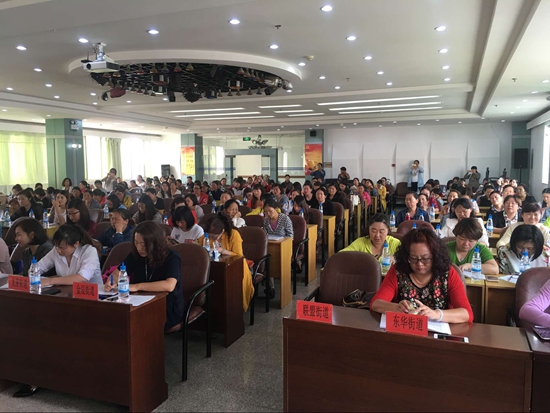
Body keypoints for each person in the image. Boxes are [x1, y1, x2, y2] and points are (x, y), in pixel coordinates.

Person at [371, 228, 473, 323]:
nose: (419, 264)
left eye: (425, 259)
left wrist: (437, 314)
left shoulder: (448, 273)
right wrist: (397, 308)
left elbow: (467, 314)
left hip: (439, 332)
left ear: (435, 256)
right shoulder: (398, 271)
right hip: (405, 329)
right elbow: (375, 303)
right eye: (413, 258)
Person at [104, 221, 184, 333]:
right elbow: (118, 272)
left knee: (133, 324)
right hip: (139, 302)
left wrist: (136, 287)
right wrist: (112, 281)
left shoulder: (172, 256)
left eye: (143, 244)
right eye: (136, 243)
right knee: (114, 318)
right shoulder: (135, 255)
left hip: (166, 306)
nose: (139, 248)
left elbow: (169, 285)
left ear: (155, 243)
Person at [199, 213, 255, 311]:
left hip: (236, 267)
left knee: (232, 286)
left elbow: (239, 256)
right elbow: (200, 248)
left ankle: (235, 309)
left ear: (222, 231)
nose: (212, 239)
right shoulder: (206, 237)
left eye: (214, 237)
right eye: (210, 236)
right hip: (215, 266)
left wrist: (222, 250)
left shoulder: (233, 235)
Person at [36, 224, 102, 285]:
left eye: (62, 248)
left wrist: (50, 281)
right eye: (56, 246)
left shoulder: (89, 251)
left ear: (76, 244)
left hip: (92, 292)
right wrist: (33, 277)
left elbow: (82, 278)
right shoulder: (56, 250)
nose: (58, 250)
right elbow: (38, 268)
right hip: (66, 291)